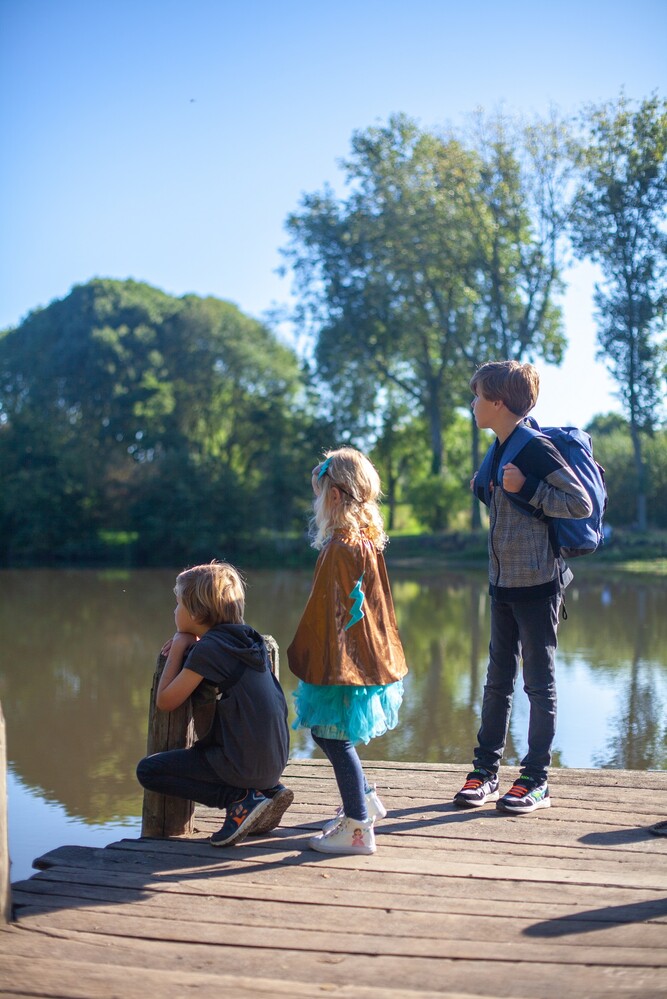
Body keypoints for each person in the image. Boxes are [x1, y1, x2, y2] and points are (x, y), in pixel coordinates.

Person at [454, 361, 592, 815]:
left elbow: (578, 503)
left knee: (539, 686)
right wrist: (489, 485)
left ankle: (536, 779)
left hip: (538, 586)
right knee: (496, 683)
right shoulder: (499, 446)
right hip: (502, 585)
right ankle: (486, 773)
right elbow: (500, 498)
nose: (472, 404)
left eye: (477, 397)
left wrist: (528, 487)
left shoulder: (533, 447)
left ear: (497, 403)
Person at [288, 447, 408, 856]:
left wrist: (313, 655)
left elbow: (330, 613)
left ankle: (358, 828)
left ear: (335, 498)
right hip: (360, 654)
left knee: (330, 736)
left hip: (344, 660)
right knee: (332, 734)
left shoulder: (341, 546)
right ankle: (365, 798)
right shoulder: (365, 539)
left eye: (321, 493)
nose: (317, 502)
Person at [136, 560, 292, 846]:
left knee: (149, 770)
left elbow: (166, 701)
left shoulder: (209, 650)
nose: (174, 611)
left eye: (178, 604)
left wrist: (180, 644)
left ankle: (239, 799)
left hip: (243, 765)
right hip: (273, 763)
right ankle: (266, 793)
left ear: (196, 612)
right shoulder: (250, 640)